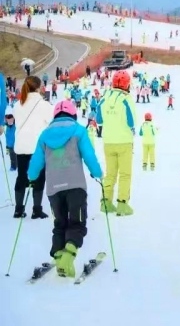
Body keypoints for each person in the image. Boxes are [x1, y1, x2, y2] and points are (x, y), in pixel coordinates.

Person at [27, 100, 103, 277]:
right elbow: (89, 155)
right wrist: (97, 173)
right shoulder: (78, 130)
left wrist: (31, 176)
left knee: (60, 224)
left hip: (54, 188)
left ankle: (59, 256)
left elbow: (36, 162)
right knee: (76, 223)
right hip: (75, 186)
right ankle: (68, 256)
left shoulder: (44, 135)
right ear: (73, 114)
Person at [11, 76, 53, 218]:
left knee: (21, 176)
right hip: (37, 147)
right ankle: (37, 209)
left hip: (22, 146)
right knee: (39, 178)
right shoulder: (44, 105)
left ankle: (18, 209)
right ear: (38, 87)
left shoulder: (18, 105)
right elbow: (51, 121)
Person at [96, 70, 137, 216]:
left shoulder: (104, 97)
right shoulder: (126, 99)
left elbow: (99, 120)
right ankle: (122, 204)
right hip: (124, 141)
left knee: (110, 173)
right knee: (125, 174)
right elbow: (132, 121)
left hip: (108, 141)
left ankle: (105, 202)